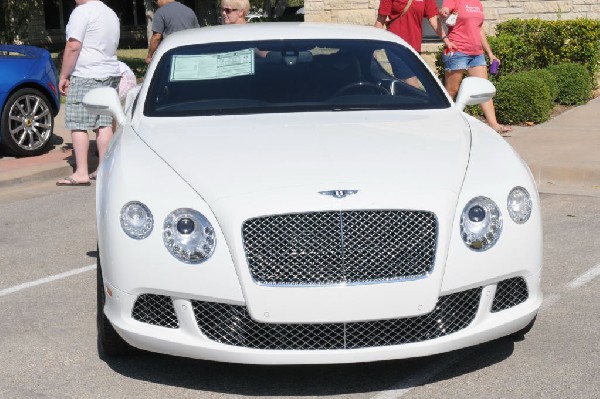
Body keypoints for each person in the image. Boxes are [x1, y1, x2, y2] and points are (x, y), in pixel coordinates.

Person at [56, 0, 120, 186]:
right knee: (104, 123)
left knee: (78, 123)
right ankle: (103, 169)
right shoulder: (109, 12)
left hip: (86, 74)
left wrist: (64, 75)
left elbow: (73, 46)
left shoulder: (82, 12)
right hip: (110, 72)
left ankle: (81, 172)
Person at [440, 0, 511, 134]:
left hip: (476, 53)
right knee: (451, 90)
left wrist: (490, 53)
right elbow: (444, 11)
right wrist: (443, 12)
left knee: (482, 90)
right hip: (457, 51)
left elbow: (478, 29)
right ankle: (442, 122)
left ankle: (494, 124)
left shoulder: (477, 3)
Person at [374, 0, 455, 54]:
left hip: (414, 48)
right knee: (409, 78)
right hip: (395, 45)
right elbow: (381, 20)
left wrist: (446, 40)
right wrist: (372, 48)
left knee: (411, 77)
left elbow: (433, 18)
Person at [146, 0, 200, 64]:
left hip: (172, 54)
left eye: (156, 2)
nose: (157, 4)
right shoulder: (189, 11)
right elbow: (197, 34)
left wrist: (149, 56)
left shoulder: (160, 12)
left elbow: (156, 37)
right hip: (190, 53)